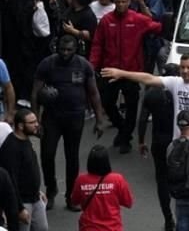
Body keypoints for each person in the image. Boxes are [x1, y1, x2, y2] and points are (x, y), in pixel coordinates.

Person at [101, 52, 189, 150]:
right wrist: (122, 73)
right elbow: (148, 78)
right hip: (178, 143)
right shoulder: (175, 82)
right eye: (182, 67)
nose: (185, 71)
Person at [31, 33, 106, 211]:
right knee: (47, 154)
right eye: (62, 49)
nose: (65, 53)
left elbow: (94, 93)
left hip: (75, 117)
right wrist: (36, 120)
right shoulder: (47, 64)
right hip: (52, 117)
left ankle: (71, 195)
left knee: (72, 156)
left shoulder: (84, 65)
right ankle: (51, 189)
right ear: (57, 49)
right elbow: (35, 93)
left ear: (75, 50)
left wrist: (99, 119)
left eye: (69, 50)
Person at [88, 0, 163, 153]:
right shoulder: (106, 21)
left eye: (124, 2)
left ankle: (125, 138)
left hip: (131, 71)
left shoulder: (136, 19)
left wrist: (145, 9)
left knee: (131, 106)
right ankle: (123, 130)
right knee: (107, 103)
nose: (121, 4)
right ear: (114, 3)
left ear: (129, 2)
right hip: (109, 70)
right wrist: (92, 66)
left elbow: (157, 27)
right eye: (118, 2)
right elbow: (97, 45)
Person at [137, 62, 178, 231]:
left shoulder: (152, 93)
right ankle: (183, 215)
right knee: (182, 178)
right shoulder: (180, 92)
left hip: (159, 140)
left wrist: (140, 141)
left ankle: (168, 218)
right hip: (177, 141)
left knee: (162, 179)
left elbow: (142, 119)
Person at [0, 109, 45, 231]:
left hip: (35, 197)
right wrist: (19, 208)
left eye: (36, 121)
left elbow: (29, 170)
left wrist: (38, 190)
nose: (36, 124)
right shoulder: (11, 148)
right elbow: (11, 180)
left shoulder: (25, 139)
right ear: (20, 126)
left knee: (42, 228)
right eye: (32, 122)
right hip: (23, 201)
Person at [70, 145, 133, 231]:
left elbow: (74, 201)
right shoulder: (117, 179)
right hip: (113, 228)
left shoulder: (81, 180)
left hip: (89, 227)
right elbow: (128, 203)